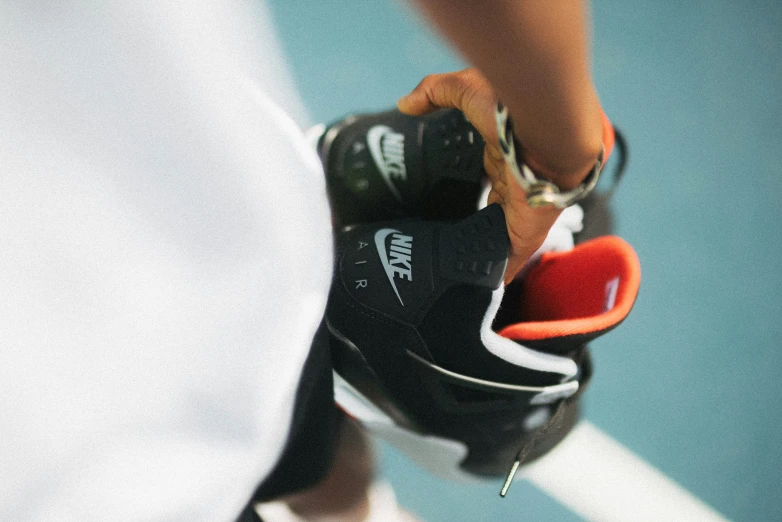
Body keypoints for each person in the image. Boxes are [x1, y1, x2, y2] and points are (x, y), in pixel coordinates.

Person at [0, 1, 605, 521]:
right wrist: (554, 156)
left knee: (291, 374)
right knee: (282, 359)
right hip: (183, 232)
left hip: (72, 438)